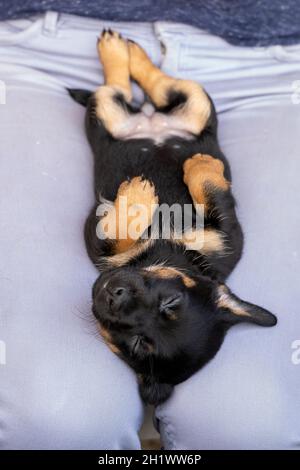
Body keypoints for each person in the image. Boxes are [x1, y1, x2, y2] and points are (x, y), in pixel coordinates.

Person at [0, 2, 299, 450]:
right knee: (53, 424)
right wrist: (207, 186)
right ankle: (146, 77)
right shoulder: (213, 253)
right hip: (44, 49)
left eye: (139, 342)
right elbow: (221, 211)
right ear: (218, 295)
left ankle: (117, 80)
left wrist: (121, 220)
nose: (127, 305)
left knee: (249, 433)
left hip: (265, 72)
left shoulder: (119, 257)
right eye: (169, 302)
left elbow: (101, 240)